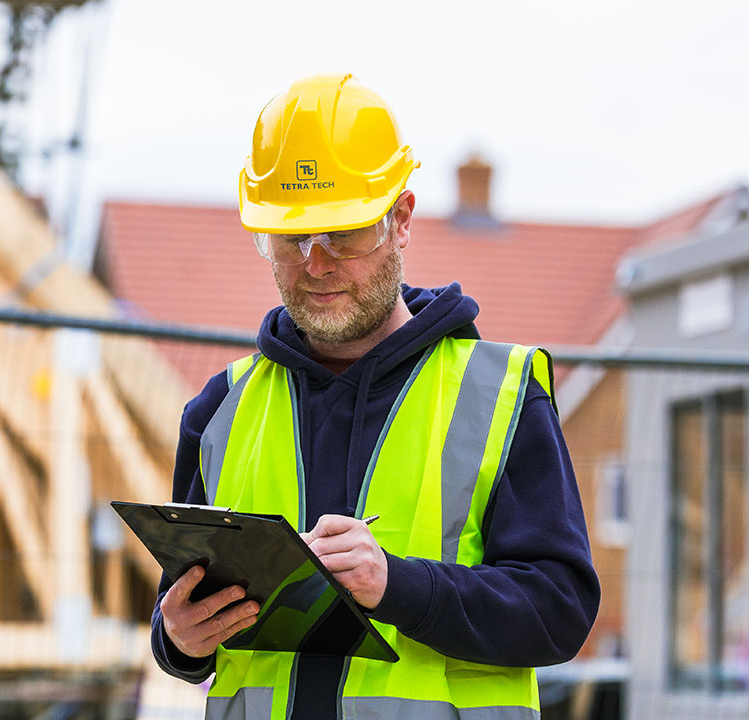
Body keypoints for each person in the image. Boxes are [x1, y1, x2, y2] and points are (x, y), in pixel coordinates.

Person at [151, 73, 600, 719]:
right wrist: (179, 641)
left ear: (402, 219)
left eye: (345, 232)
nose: (317, 262)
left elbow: (558, 615)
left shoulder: (501, 396)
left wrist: (398, 585)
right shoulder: (220, 409)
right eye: (292, 237)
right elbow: (185, 611)